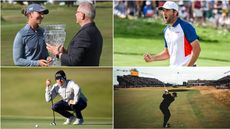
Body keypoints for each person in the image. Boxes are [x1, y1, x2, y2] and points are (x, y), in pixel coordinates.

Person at [144, 1, 201, 67]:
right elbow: (167, 53)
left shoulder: (186, 26)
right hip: (173, 70)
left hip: (187, 71)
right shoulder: (166, 30)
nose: (164, 13)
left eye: (167, 10)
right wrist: (153, 58)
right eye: (163, 10)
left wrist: (187, 68)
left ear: (175, 12)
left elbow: (197, 49)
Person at [47, 2, 103, 66]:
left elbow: (73, 61)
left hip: (81, 74)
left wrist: (57, 53)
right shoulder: (95, 31)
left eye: (77, 12)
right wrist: (65, 52)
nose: (75, 14)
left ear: (82, 15)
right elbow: (80, 56)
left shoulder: (85, 34)